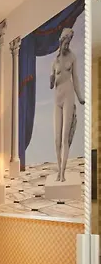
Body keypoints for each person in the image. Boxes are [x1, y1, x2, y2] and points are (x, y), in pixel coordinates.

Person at [50, 27, 84, 182]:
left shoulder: (73, 57)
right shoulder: (55, 61)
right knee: (57, 139)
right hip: (57, 98)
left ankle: (62, 173)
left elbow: (75, 78)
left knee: (65, 138)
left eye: (69, 42)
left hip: (69, 95)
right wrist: (51, 79)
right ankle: (58, 169)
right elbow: (51, 84)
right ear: (61, 41)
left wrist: (80, 96)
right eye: (66, 42)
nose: (67, 45)